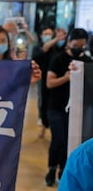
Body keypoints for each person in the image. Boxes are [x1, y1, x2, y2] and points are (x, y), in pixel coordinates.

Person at [45, 28, 92, 187]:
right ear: (68, 42)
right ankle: (52, 168)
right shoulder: (58, 59)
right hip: (56, 107)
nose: (78, 47)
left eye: (81, 45)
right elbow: (49, 83)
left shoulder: (87, 61)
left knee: (68, 141)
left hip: (77, 111)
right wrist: (67, 77)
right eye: (75, 44)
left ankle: (63, 170)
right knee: (58, 140)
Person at [32, 27, 67, 138]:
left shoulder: (57, 48)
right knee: (42, 103)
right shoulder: (40, 47)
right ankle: (43, 124)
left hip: (55, 80)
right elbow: (44, 49)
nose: (47, 36)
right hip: (42, 79)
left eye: (49, 34)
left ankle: (51, 127)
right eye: (45, 34)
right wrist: (56, 38)